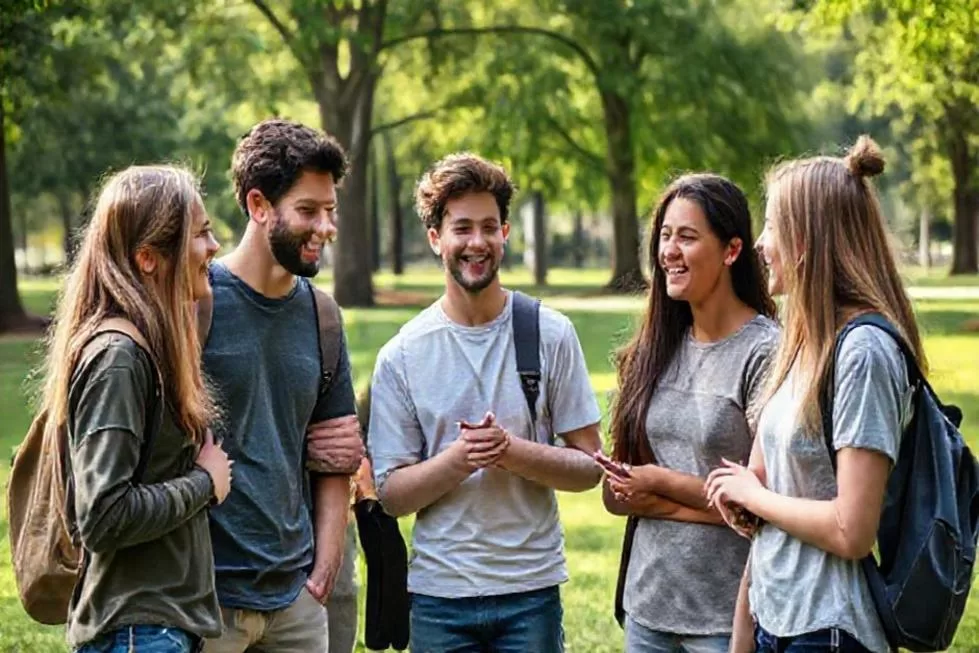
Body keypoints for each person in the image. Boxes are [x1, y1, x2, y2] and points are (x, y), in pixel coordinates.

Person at [367, 152, 604, 653]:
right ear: (436, 238)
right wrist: (460, 460)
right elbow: (390, 495)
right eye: (462, 228)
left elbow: (590, 467)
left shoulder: (549, 333)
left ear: (506, 234)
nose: (477, 242)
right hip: (438, 597)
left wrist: (510, 452)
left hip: (531, 594)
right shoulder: (402, 356)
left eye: (489, 227)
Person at [706, 136, 920, 653]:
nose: (760, 242)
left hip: (828, 629)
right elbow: (764, 483)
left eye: (773, 225)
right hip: (773, 616)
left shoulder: (864, 352)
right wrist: (745, 496)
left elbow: (852, 529)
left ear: (806, 240)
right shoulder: (799, 342)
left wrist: (756, 497)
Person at [39, 165, 231, 653]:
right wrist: (204, 483)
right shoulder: (118, 358)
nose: (213, 249)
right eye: (201, 235)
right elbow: (102, 516)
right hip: (137, 632)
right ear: (149, 258)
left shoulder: (144, 346)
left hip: (153, 629)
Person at [200, 118, 365, 653]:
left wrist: (324, 568)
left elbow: (338, 454)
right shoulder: (197, 306)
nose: (326, 228)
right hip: (207, 597)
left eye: (330, 211)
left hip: (296, 599)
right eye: (309, 212)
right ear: (258, 205)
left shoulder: (322, 316)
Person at [601, 174, 778, 653]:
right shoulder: (654, 349)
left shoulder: (765, 352)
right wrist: (695, 503)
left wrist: (656, 483)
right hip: (647, 607)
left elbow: (767, 504)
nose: (669, 251)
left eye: (687, 236)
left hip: (725, 617)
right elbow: (617, 494)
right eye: (665, 235)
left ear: (732, 249)